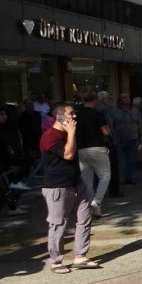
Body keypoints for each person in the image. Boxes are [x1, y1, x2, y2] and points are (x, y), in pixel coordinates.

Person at [40, 103, 99, 274]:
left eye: (74, 114)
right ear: (59, 117)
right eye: (70, 114)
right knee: (58, 223)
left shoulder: (69, 134)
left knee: (84, 217)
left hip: (76, 182)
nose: (74, 117)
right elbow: (68, 154)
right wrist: (72, 133)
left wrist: (72, 133)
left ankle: (80, 255)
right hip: (57, 186)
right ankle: (56, 260)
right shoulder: (50, 136)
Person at [75, 92, 112, 218]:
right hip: (97, 147)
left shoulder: (77, 115)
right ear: (95, 100)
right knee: (105, 176)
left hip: (81, 148)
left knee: (87, 180)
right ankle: (97, 202)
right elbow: (106, 131)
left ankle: (89, 207)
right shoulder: (98, 114)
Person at [113, 93, 142, 185]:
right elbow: (112, 125)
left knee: (132, 159)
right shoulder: (115, 111)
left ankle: (130, 178)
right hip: (120, 139)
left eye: (127, 97)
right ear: (120, 100)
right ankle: (122, 179)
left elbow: (140, 123)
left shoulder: (135, 110)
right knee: (121, 161)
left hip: (133, 138)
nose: (126, 99)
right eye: (123, 98)